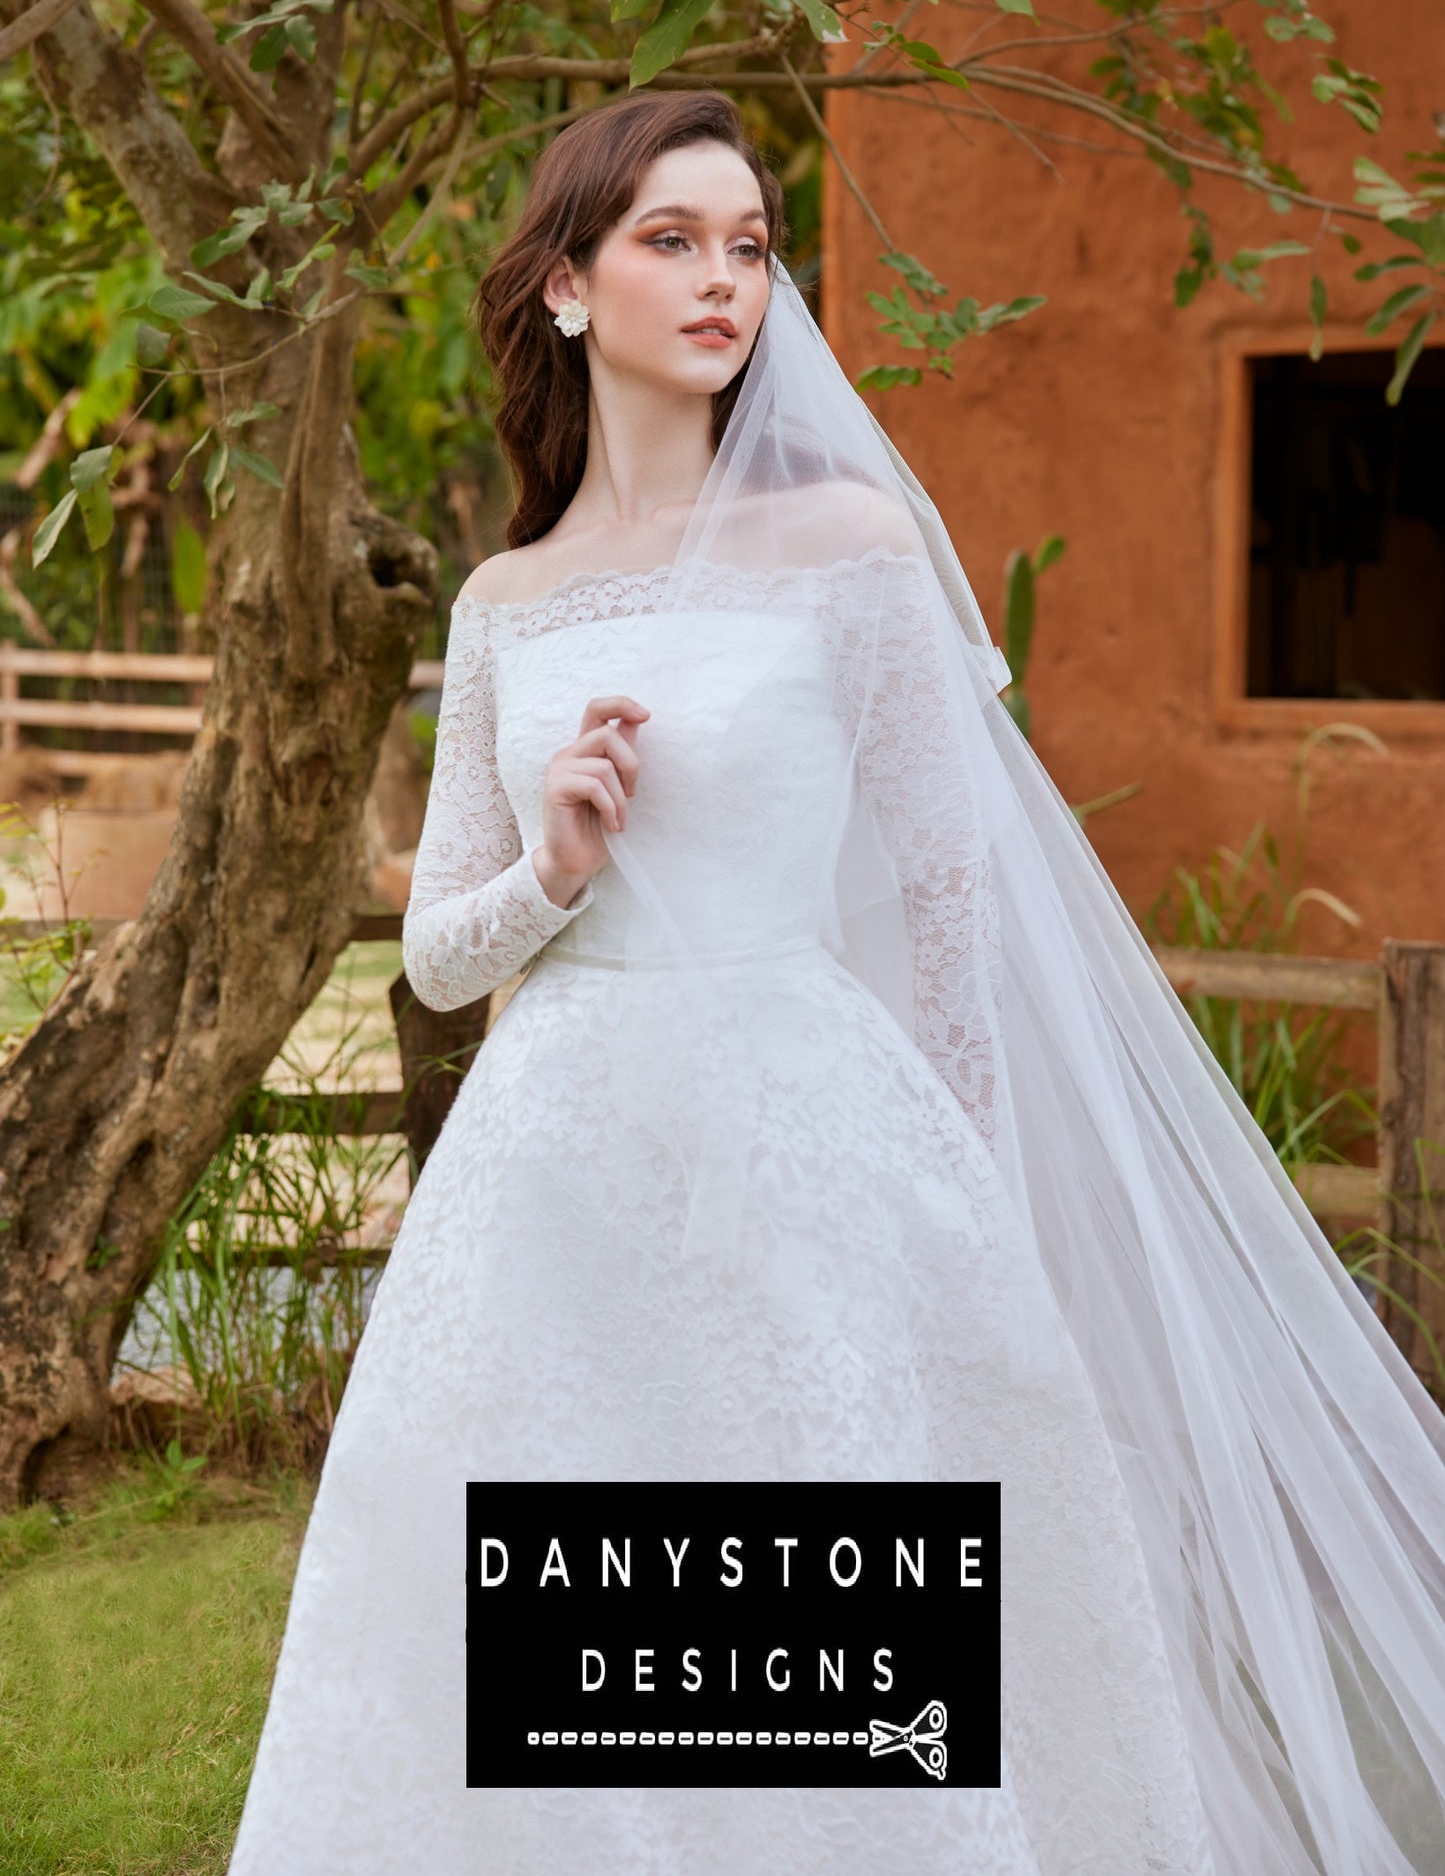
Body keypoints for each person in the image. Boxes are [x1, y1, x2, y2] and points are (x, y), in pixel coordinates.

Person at [228, 90, 1445, 1875]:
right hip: (558, 1176)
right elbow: (432, 954)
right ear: (567, 288)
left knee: (829, 1644)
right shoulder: (503, 601)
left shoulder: (850, 550)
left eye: (748, 245)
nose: (722, 280)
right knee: (564, 1636)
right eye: (670, 240)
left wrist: (962, 1210)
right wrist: (552, 867)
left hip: (807, 1151)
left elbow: (954, 916)